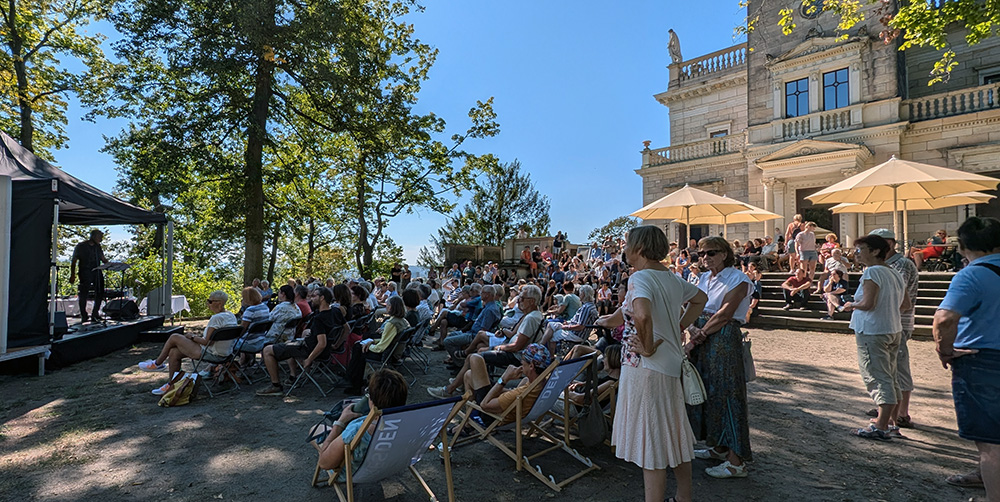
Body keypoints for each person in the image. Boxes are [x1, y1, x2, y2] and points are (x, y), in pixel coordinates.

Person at [597, 225, 707, 502]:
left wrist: (646, 346)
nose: (624, 249)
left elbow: (643, 315)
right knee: (674, 434)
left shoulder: (639, 277)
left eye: (628, 244)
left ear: (640, 249)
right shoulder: (669, 277)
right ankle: (684, 497)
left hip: (647, 369)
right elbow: (700, 299)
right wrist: (677, 325)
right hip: (669, 365)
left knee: (651, 445)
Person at [933, 216, 1000, 499]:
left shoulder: (971, 275)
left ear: (962, 247)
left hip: (982, 361)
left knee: (990, 443)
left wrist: (944, 350)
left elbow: (945, 319)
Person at [686, 235, 754, 479]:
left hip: (723, 337)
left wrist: (698, 334)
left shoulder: (739, 279)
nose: (705, 258)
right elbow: (690, 306)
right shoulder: (702, 278)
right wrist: (691, 328)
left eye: (711, 253)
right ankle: (718, 446)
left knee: (727, 394)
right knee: (706, 392)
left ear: (725, 253)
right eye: (701, 254)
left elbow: (725, 313)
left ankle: (736, 461)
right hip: (703, 335)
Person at [841, 234, 909, 440]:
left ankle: (881, 425)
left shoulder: (872, 272)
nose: (856, 254)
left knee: (878, 377)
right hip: (892, 329)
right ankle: (891, 421)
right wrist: (888, 308)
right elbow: (906, 305)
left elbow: (868, 304)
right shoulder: (895, 272)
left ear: (875, 251)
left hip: (873, 331)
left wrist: (850, 305)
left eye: (860, 250)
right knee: (890, 376)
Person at [427, 285, 545, 398]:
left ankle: (450, 389)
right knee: (479, 346)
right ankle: (464, 382)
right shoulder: (533, 315)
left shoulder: (530, 318)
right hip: (512, 349)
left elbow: (516, 347)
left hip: (515, 356)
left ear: (532, 301)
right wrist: (502, 333)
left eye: (522, 298)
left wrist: (496, 348)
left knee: (473, 357)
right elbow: (515, 336)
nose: (518, 301)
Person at [138, 290, 238, 395]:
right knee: (173, 352)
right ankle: (172, 385)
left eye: (210, 301)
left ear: (220, 303)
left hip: (213, 354)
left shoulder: (216, 318)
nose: (208, 304)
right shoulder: (230, 315)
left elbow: (206, 342)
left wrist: (192, 337)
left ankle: (157, 363)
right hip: (226, 354)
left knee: (174, 337)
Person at [315, 369, 409, 479]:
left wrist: (339, 423)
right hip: (388, 467)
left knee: (317, 430)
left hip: (353, 474)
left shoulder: (357, 430)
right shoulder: (410, 423)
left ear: (372, 401)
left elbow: (324, 463)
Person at [868, 228, 919, 428]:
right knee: (887, 368)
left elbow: (895, 295)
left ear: (887, 244)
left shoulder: (901, 265)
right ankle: (887, 408)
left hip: (897, 322)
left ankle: (902, 413)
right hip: (889, 321)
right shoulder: (886, 265)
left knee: (898, 367)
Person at [256, 287, 339, 396]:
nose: (311, 298)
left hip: (307, 349)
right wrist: (336, 344)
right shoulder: (335, 311)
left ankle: (275, 386)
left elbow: (322, 343)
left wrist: (309, 360)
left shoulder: (319, 318)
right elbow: (345, 328)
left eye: (314, 296)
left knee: (267, 350)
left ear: (322, 298)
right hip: (318, 349)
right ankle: (292, 376)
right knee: (289, 343)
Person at [341, 296, 409, 395]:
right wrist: (372, 341)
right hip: (393, 352)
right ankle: (352, 378)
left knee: (359, 349)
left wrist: (369, 345)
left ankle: (354, 382)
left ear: (390, 307)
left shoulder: (392, 323)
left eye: (387, 305)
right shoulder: (403, 321)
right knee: (360, 346)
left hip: (386, 354)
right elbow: (388, 340)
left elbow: (381, 347)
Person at [69, 229, 109, 323]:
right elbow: (74, 260)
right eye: (100, 237)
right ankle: (84, 315)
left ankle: (95, 314)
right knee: (84, 293)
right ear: (94, 236)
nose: (101, 239)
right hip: (85, 271)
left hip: (96, 271)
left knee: (100, 292)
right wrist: (72, 274)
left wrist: (111, 265)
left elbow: (103, 258)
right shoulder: (81, 246)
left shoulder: (97, 247)